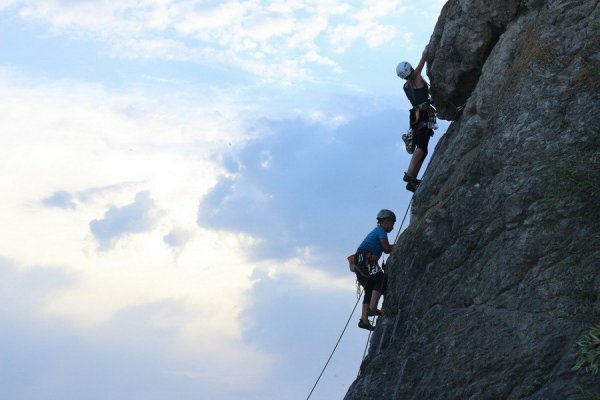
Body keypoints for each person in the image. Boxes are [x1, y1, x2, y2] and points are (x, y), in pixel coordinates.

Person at [396, 45, 437, 192]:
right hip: (423, 116)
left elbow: (419, 99)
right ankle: (409, 175)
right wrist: (426, 51)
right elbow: (423, 59)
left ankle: (412, 180)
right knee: (421, 145)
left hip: (415, 116)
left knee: (423, 148)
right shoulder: (417, 77)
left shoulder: (406, 87)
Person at [351, 209, 396, 331]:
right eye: (392, 223)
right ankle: (372, 308)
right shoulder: (381, 231)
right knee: (380, 279)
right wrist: (397, 245)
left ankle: (364, 320)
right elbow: (386, 249)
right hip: (366, 259)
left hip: (360, 260)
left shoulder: (376, 231)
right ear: (385, 221)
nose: (393, 226)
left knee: (370, 287)